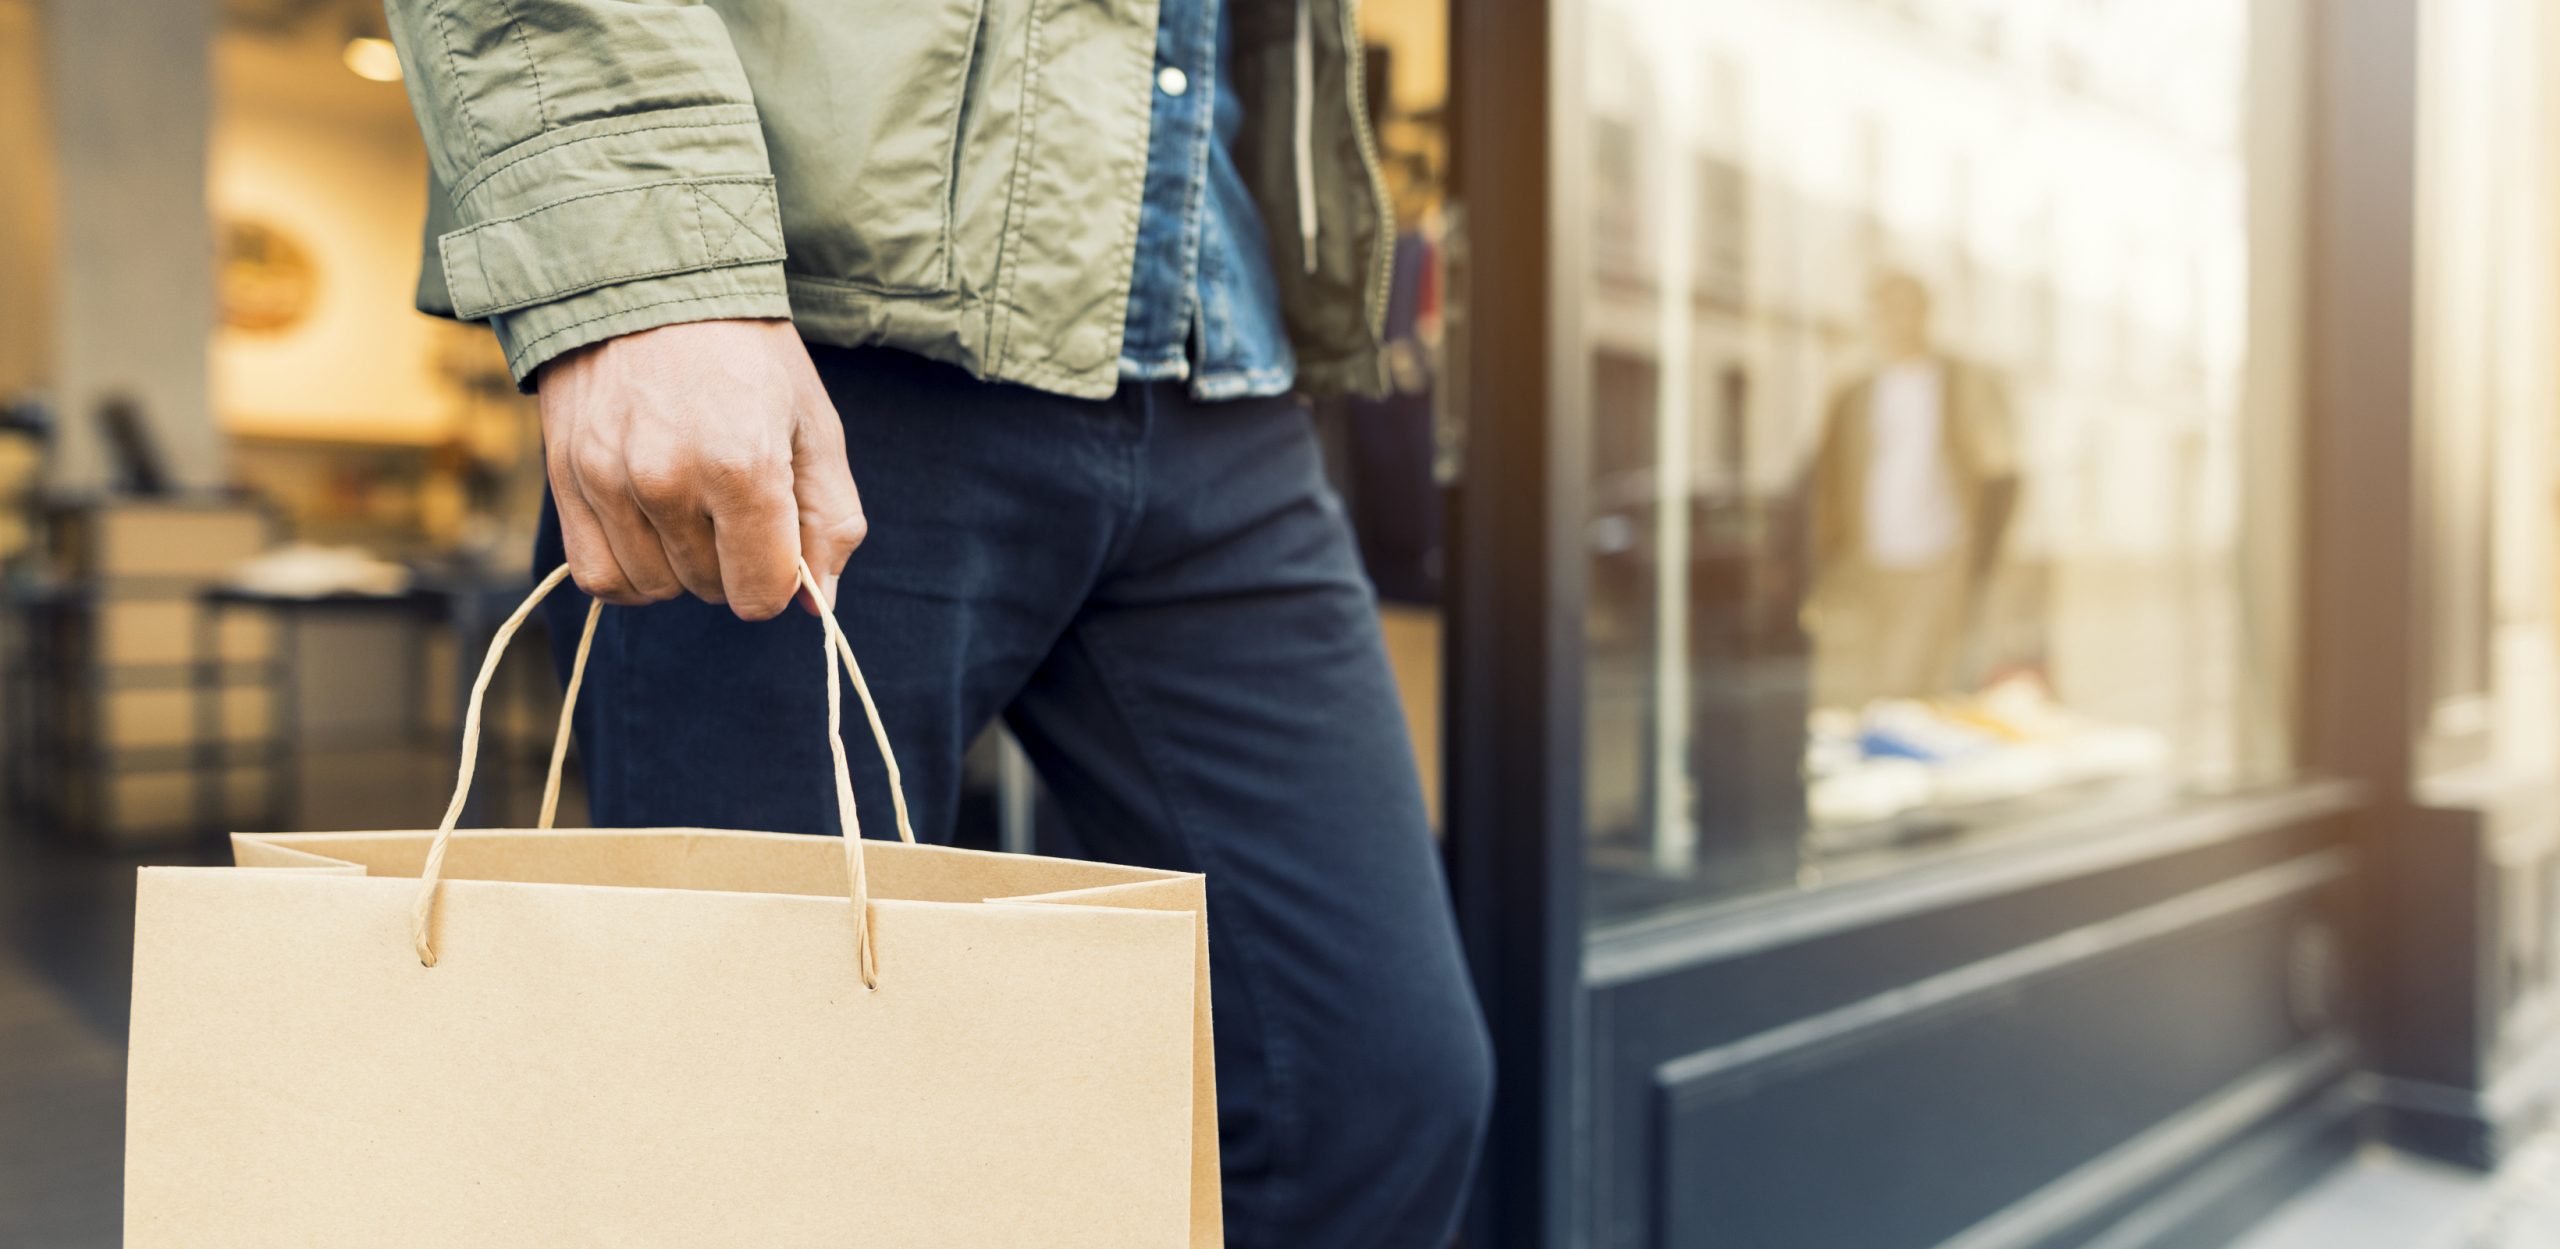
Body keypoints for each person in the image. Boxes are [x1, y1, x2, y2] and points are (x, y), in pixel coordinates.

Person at [377, 2, 1493, 1246]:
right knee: (767, 1151)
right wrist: (643, 271)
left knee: (1370, 1092)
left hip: (1210, 352)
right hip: (819, 344)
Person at [1803, 272, 2019, 709]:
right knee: (1868, 682)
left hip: (1938, 558)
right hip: (1867, 562)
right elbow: (1821, 476)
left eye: (1903, 309)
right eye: (1882, 311)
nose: (1893, 322)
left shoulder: (1962, 382)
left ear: (1924, 314)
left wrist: (1980, 560)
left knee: (1914, 680)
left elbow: (2002, 473)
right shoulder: (1856, 394)